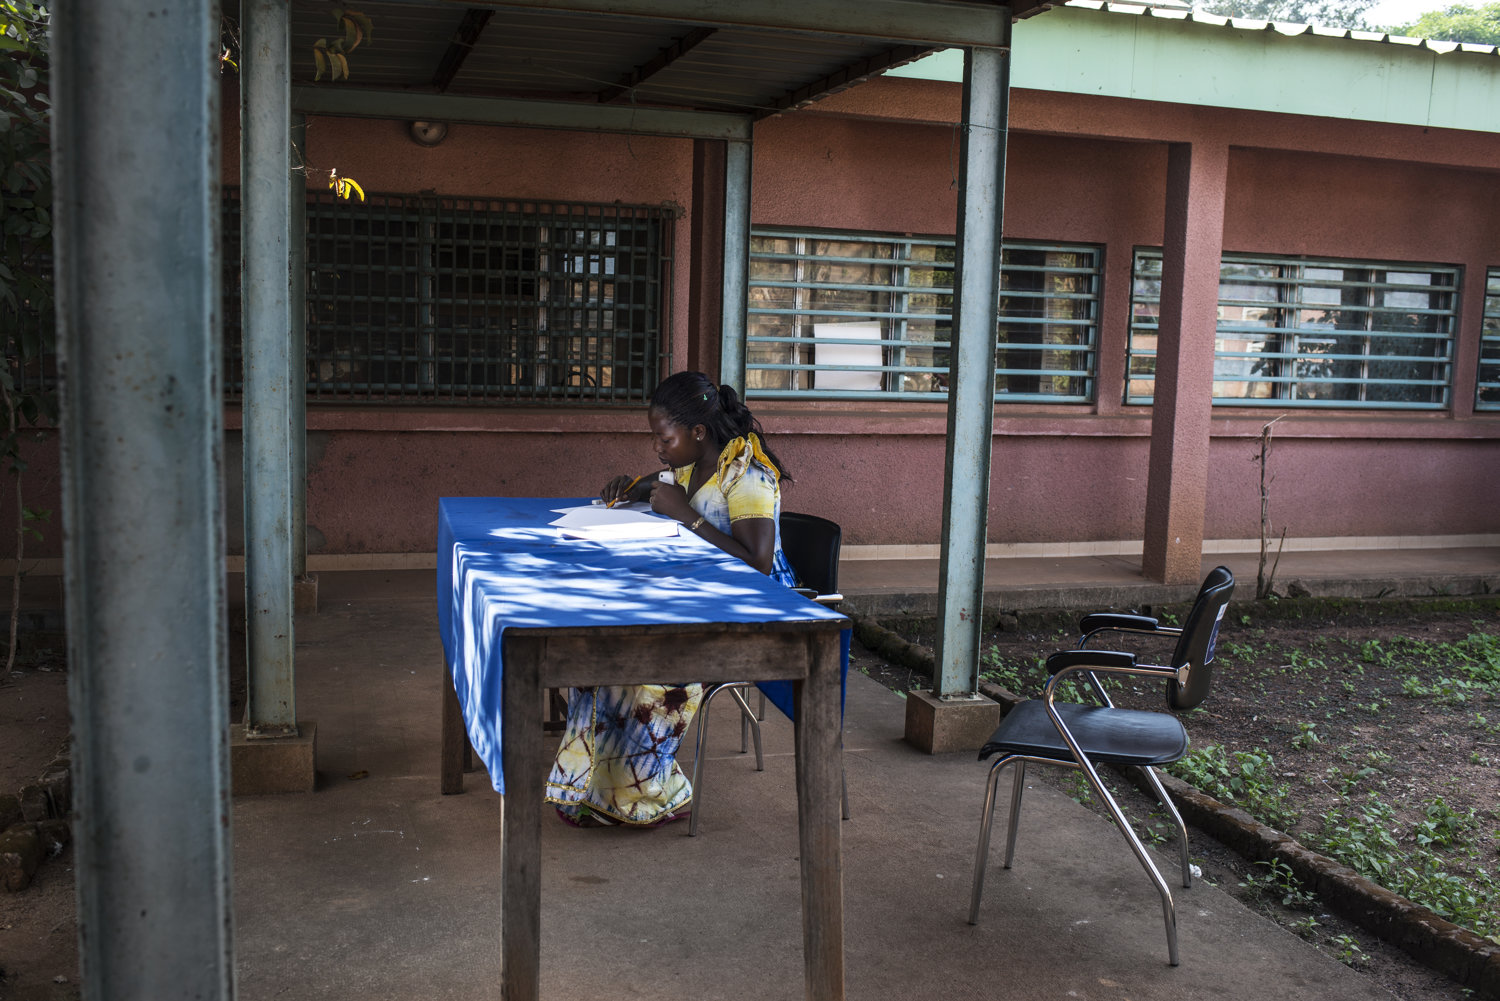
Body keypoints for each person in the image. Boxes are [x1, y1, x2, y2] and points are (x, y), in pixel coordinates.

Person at [545, 371, 797, 828]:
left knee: (648, 660)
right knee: (606, 645)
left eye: (664, 438)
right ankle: (595, 790)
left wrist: (684, 515)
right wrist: (636, 487)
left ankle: (650, 795)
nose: (657, 448)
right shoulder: (693, 463)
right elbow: (668, 486)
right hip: (699, 596)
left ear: (697, 432)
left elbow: (758, 565)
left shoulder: (747, 475)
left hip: (751, 610)